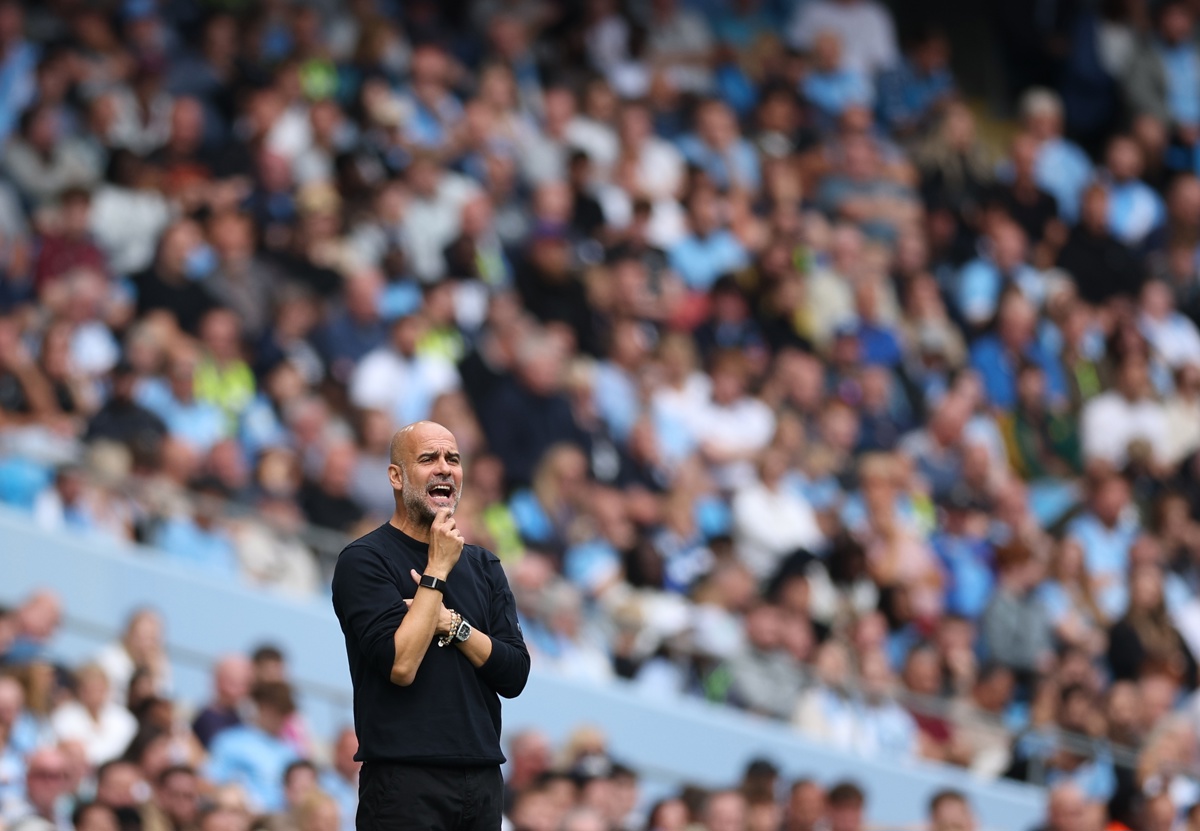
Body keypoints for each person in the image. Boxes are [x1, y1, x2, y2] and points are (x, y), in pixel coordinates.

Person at [331, 420, 530, 831]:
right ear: (396, 476)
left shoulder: (485, 566)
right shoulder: (364, 560)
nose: (444, 468)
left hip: (483, 779)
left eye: (453, 459)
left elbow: (514, 673)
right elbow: (401, 664)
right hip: (405, 780)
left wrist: (451, 625)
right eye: (428, 459)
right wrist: (437, 569)